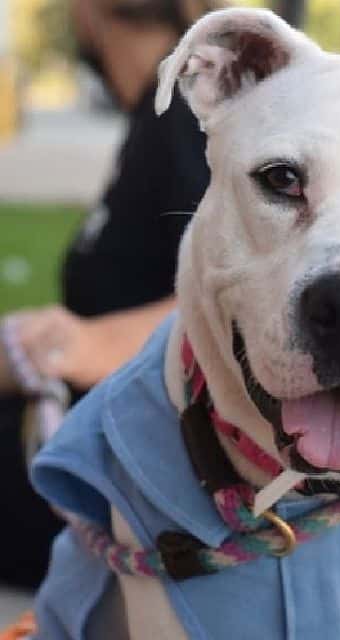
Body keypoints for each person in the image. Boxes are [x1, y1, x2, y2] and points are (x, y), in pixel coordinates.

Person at [0, 0, 227, 589]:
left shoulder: (186, 111)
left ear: (87, 12)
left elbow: (233, 297)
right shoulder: (158, 112)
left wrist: (71, 344)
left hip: (128, 477)